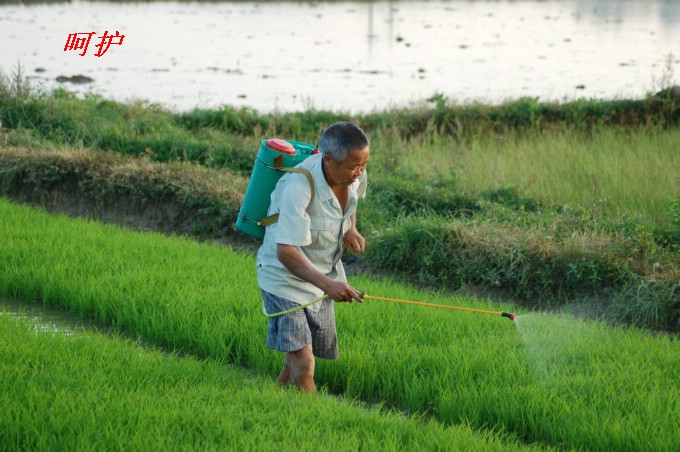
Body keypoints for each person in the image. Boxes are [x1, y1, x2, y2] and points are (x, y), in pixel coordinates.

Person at [256, 122, 370, 394]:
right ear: (327, 159)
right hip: (284, 278)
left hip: (321, 275)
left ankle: (277, 403)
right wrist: (329, 286)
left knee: (295, 359)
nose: (360, 172)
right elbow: (286, 252)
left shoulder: (353, 170)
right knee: (305, 362)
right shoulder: (298, 185)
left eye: (364, 164)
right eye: (354, 166)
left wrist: (351, 228)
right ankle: (315, 419)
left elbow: (352, 198)